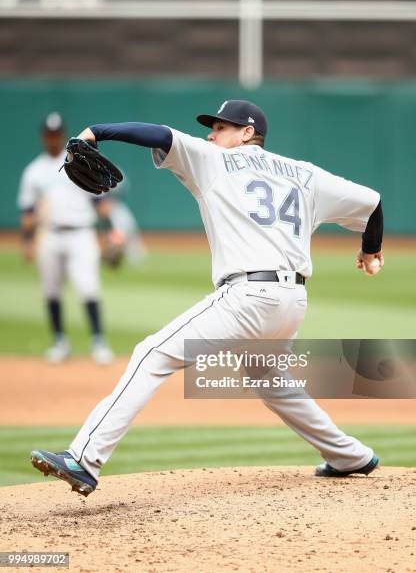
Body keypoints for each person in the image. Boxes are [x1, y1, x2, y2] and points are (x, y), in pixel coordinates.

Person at [30, 100, 384, 496]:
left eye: (220, 127)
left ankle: (84, 458)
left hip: (247, 297)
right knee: (271, 380)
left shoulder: (214, 159)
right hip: (292, 300)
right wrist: (370, 252)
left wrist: (95, 130)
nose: (211, 135)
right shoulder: (305, 174)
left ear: (247, 133)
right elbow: (372, 203)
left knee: (152, 353)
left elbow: (159, 134)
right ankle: (350, 455)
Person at [17, 112, 114, 365]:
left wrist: (109, 231)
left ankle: (98, 342)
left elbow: (100, 201)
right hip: (49, 234)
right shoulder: (33, 171)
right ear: (43, 137)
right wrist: (27, 241)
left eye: (56, 134)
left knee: (88, 287)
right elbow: (27, 212)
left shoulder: (78, 161)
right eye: (49, 134)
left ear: (62, 135)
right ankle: (60, 341)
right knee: (51, 291)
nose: (53, 138)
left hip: (81, 233)